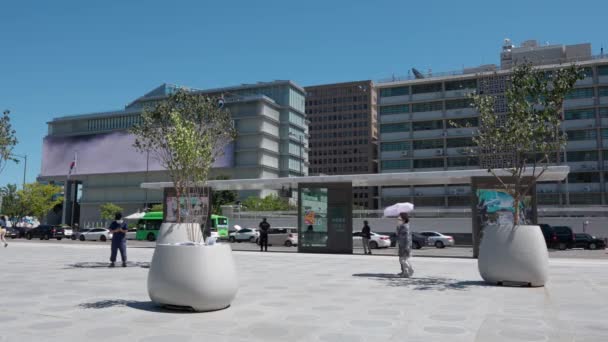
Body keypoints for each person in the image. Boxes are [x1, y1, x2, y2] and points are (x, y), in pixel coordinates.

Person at [396, 212, 414, 278]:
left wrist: (406, 246)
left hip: (404, 246)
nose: (398, 219)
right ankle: (406, 272)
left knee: (403, 259)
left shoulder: (404, 226)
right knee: (403, 259)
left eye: (399, 219)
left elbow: (405, 237)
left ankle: (410, 270)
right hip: (403, 245)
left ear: (403, 219)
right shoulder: (403, 226)